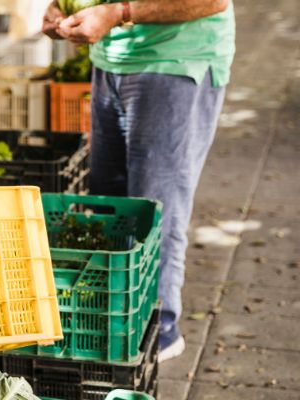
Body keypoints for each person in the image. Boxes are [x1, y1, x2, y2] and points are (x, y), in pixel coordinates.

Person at [42, 0, 235, 362]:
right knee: (112, 206)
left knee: (156, 208)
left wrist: (119, 14)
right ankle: (118, 323)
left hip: (176, 64)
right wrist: (61, 10)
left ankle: (160, 328)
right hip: (111, 61)